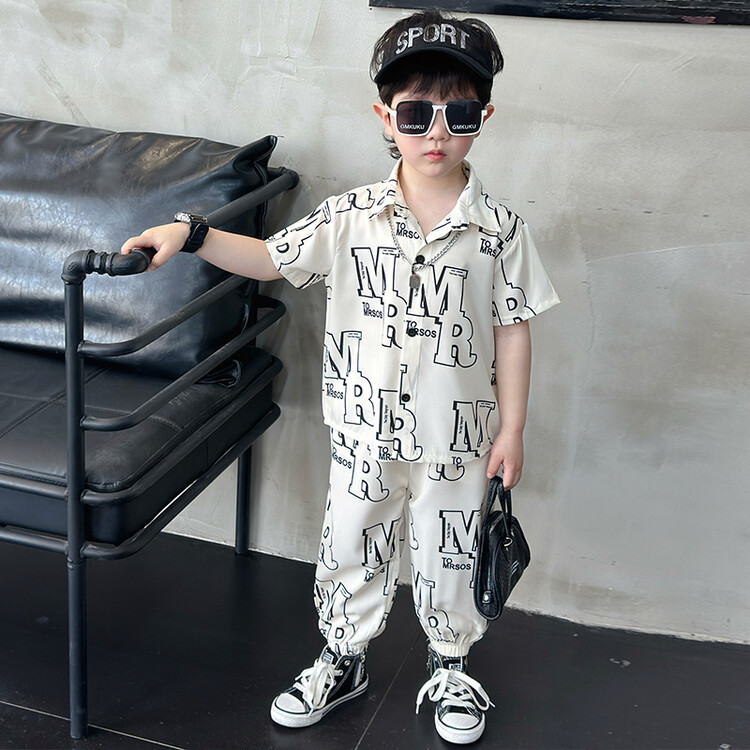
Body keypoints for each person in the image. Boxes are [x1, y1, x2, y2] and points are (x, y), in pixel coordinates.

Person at [121, 9, 560, 745]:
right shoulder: (349, 216)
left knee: (450, 552)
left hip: (459, 439)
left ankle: (451, 665)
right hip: (363, 433)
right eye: (416, 114)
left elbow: (513, 330)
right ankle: (343, 657)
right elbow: (270, 259)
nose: (436, 132)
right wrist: (191, 233)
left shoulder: (502, 232)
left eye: (457, 114)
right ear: (386, 118)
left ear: (483, 118)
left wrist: (512, 429)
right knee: (352, 544)